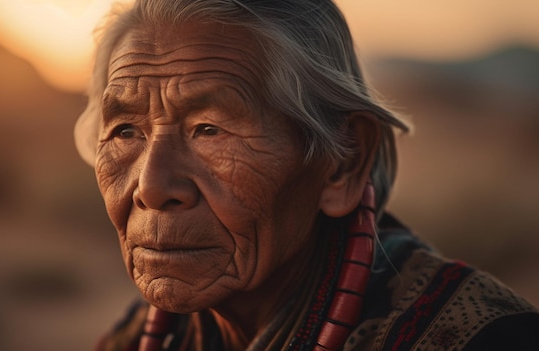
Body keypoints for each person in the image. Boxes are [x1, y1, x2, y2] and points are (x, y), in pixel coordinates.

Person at [74, 1, 539, 350]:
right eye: (126, 130)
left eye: (209, 130)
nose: (152, 188)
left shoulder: (486, 337)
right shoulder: (138, 337)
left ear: (343, 162)